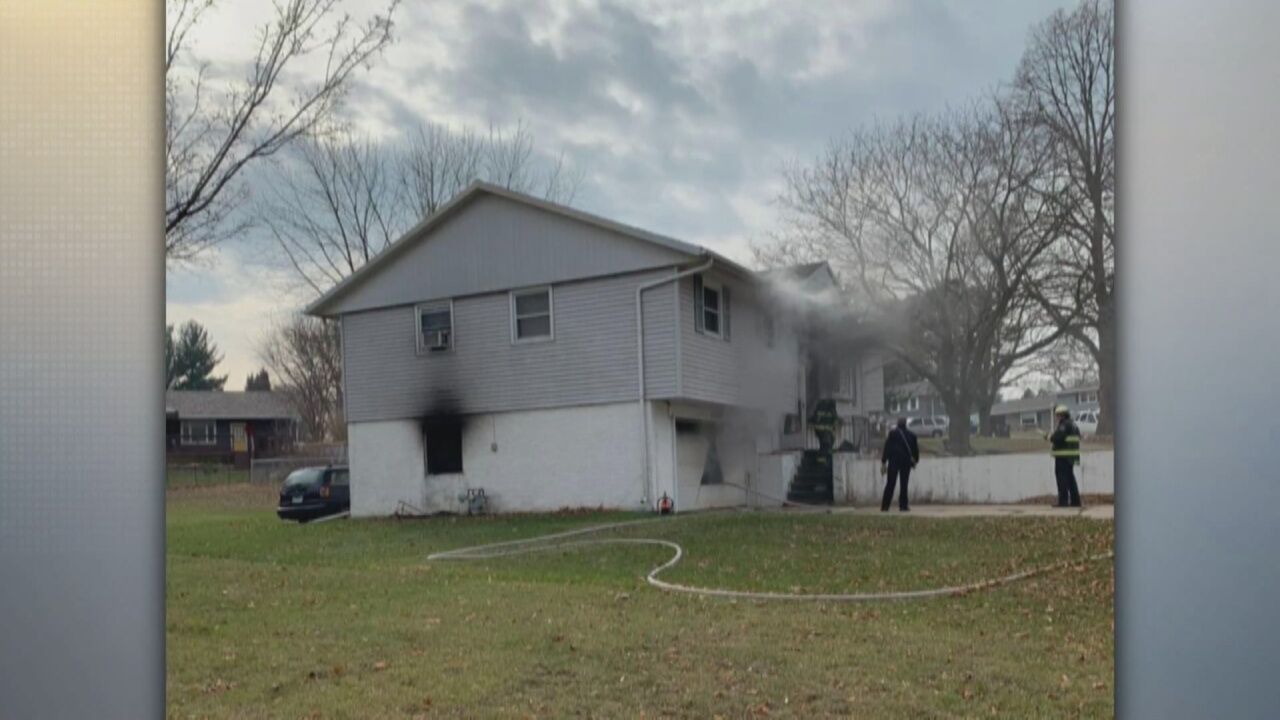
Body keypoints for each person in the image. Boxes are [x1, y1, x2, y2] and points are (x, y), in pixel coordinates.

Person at [1046, 405, 1082, 507]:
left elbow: (1058, 438)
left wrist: (1049, 437)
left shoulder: (1064, 425)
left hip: (1063, 457)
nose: (1057, 418)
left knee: (1062, 479)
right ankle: (1075, 501)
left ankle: (1063, 502)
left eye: (1057, 415)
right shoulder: (1073, 424)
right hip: (1070, 457)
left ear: (1062, 415)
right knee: (1070, 479)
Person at [880, 417, 919, 512]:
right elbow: (915, 450)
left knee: (890, 484)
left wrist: (884, 461)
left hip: (893, 462)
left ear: (897, 424)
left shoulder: (892, 434)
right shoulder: (912, 435)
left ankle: (885, 506)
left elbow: (887, 447)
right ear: (906, 424)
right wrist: (915, 461)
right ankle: (903, 506)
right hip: (906, 463)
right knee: (904, 484)